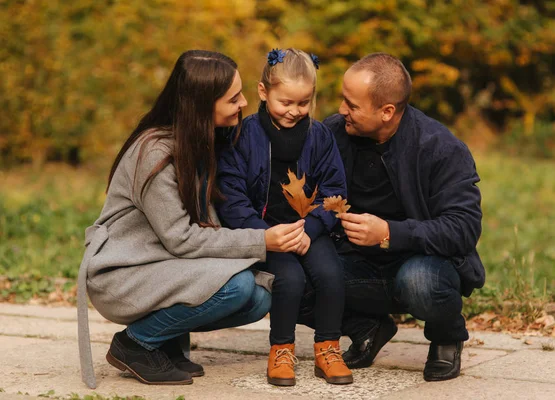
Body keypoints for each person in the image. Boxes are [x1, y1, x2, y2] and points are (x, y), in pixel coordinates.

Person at [76, 50, 307, 389]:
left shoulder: (199, 143)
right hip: (122, 275)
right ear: (201, 105)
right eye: (232, 98)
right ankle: (135, 344)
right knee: (237, 287)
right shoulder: (154, 153)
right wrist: (262, 241)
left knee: (259, 297)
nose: (243, 102)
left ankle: (165, 340)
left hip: (163, 266)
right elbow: (182, 239)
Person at [321, 52, 485, 381]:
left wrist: (389, 234)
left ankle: (446, 336)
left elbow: (464, 229)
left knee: (420, 281)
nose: (341, 111)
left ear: (386, 112)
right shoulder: (333, 134)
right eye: (343, 100)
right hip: (356, 263)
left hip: (421, 264)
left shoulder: (440, 148)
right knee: (286, 274)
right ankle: (367, 328)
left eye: (351, 105)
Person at [217, 48, 353, 386]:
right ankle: (281, 350)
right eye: (286, 102)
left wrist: (313, 226)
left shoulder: (320, 136)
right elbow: (232, 197)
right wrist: (263, 235)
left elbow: (335, 191)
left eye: (303, 103)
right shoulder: (243, 135)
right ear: (263, 93)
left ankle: (328, 347)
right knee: (289, 281)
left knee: (331, 274)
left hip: (310, 228)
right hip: (265, 232)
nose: (294, 111)